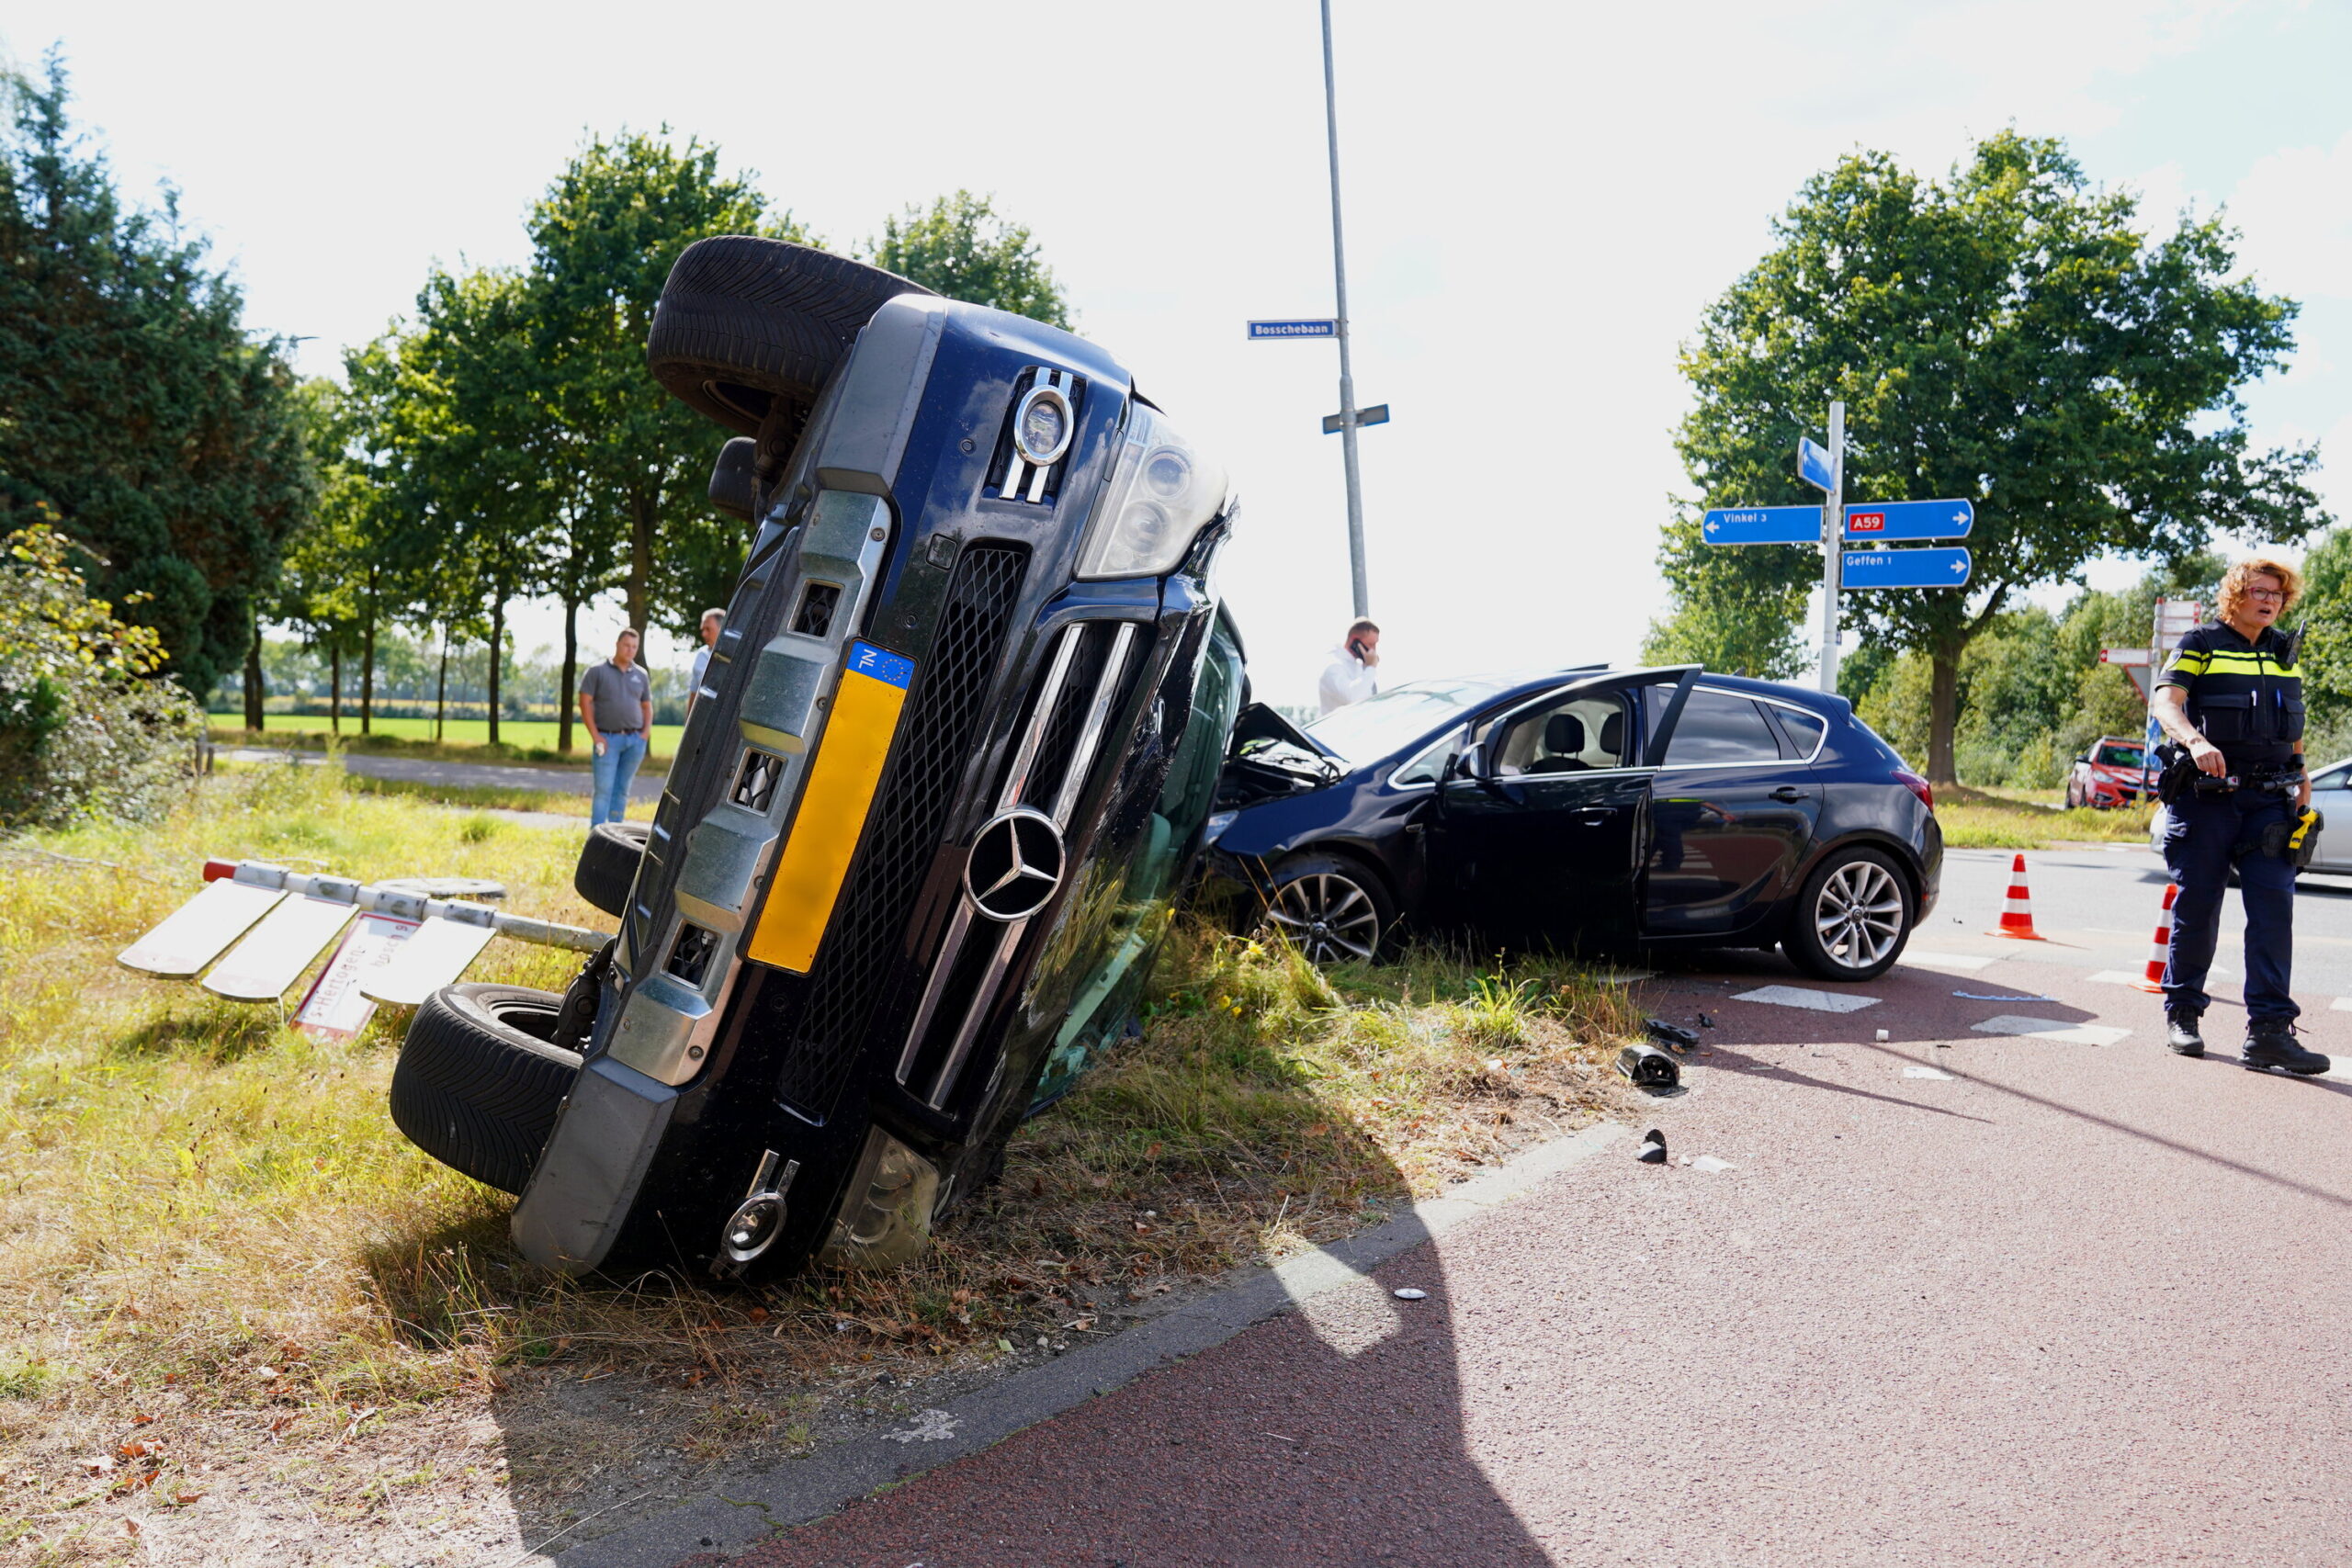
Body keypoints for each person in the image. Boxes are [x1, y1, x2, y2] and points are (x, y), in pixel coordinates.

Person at [2152, 557, 2323, 1073]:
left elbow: (2289, 721)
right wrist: (2195, 739)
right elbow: (2166, 702)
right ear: (2236, 595)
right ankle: (2183, 1014)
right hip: (2207, 801)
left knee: (2274, 911)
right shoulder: (2201, 643)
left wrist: (2302, 775)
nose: (2268, 600)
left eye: (2276, 593)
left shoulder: (2283, 652)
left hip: (2269, 802)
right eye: (2258, 591)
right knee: (2198, 909)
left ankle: (2269, 1032)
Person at [579, 628, 654, 829]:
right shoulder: (597, 671)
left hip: (635, 742)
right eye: (626, 645)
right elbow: (584, 702)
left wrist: (645, 734)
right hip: (606, 740)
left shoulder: (641, 675)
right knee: (603, 789)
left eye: (634, 647)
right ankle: (596, 834)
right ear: (617, 645)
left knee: (622, 790)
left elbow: (647, 706)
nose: (630, 650)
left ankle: (615, 833)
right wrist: (595, 736)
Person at [1318, 618, 1381, 716]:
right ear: (1355, 641)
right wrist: (1371, 668)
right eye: (1370, 644)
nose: (1373, 650)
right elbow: (1353, 698)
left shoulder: (1359, 667)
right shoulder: (1334, 666)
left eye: (1375, 645)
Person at [687, 607, 726, 714]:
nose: (703, 634)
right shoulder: (701, 654)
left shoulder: (738, 654)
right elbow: (694, 692)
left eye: (708, 629)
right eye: (702, 630)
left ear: (723, 628)